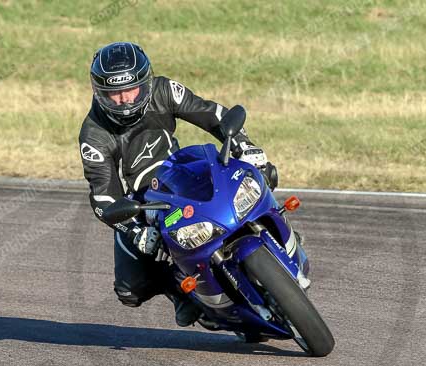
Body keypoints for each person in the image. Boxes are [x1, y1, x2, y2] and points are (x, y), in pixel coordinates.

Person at [79, 41, 278, 327]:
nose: (123, 100)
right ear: (98, 93)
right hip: (147, 199)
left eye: (130, 90)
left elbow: (213, 115)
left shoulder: (164, 90)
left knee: (262, 173)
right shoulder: (93, 135)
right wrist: (135, 231)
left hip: (188, 168)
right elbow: (103, 198)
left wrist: (245, 146)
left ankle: (275, 225)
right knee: (129, 290)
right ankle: (181, 290)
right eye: (114, 94)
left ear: (145, 83)